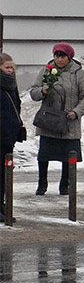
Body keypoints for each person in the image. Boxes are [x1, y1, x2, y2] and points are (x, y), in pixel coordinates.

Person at [29, 43, 84, 196]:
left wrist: (76, 112)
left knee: (68, 155)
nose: (59, 59)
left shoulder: (77, 73)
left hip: (69, 122)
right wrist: (43, 90)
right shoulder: (47, 70)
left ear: (69, 58)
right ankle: (42, 183)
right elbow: (33, 92)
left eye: (63, 56)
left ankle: (65, 185)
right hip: (49, 120)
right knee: (44, 154)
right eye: (57, 56)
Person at [1, 52, 26, 215]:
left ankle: (1, 203)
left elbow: (16, 105)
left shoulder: (12, 84)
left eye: (12, 67)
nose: (10, 70)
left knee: (4, 173)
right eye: (6, 67)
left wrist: (18, 126)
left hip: (9, 135)